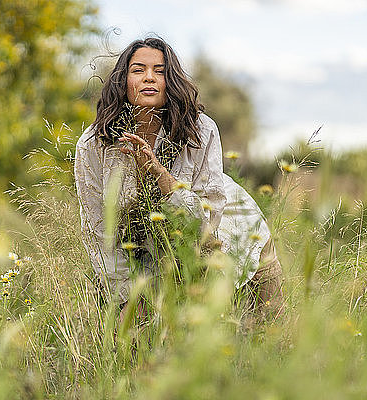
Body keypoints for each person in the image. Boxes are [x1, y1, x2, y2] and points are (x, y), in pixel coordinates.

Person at [74, 37, 283, 320]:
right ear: (122, 80)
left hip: (233, 235)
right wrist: (129, 298)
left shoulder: (199, 130)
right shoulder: (93, 144)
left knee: (264, 334)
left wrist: (159, 174)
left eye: (159, 71)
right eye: (138, 70)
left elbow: (203, 226)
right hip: (145, 254)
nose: (149, 77)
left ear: (170, 82)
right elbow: (99, 230)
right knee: (132, 337)